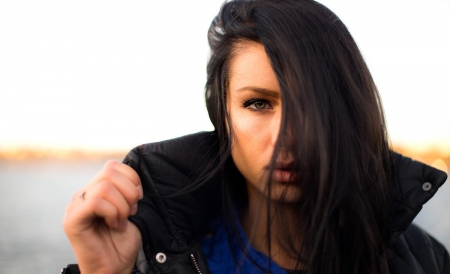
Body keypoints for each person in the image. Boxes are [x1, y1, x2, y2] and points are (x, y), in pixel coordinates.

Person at [62, 0, 449, 273]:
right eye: (259, 104)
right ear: (223, 115)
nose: (289, 137)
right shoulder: (150, 255)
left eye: (313, 104)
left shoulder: (424, 260)